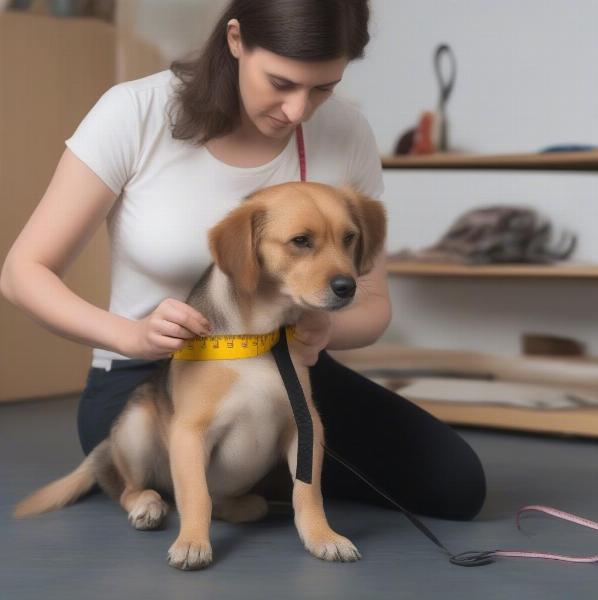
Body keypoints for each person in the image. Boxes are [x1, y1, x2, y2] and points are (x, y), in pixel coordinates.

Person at [0, 0, 485, 520]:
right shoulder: (132, 113)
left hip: (280, 367)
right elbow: (23, 273)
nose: (298, 110)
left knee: (454, 485)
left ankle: (250, 478)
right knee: (203, 460)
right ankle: (205, 482)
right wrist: (129, 334)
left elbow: (374, 307)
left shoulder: (348, 132)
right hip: (151, 374)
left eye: (322, 87)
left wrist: (326, 332)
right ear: (235, 40)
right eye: (280, 82)